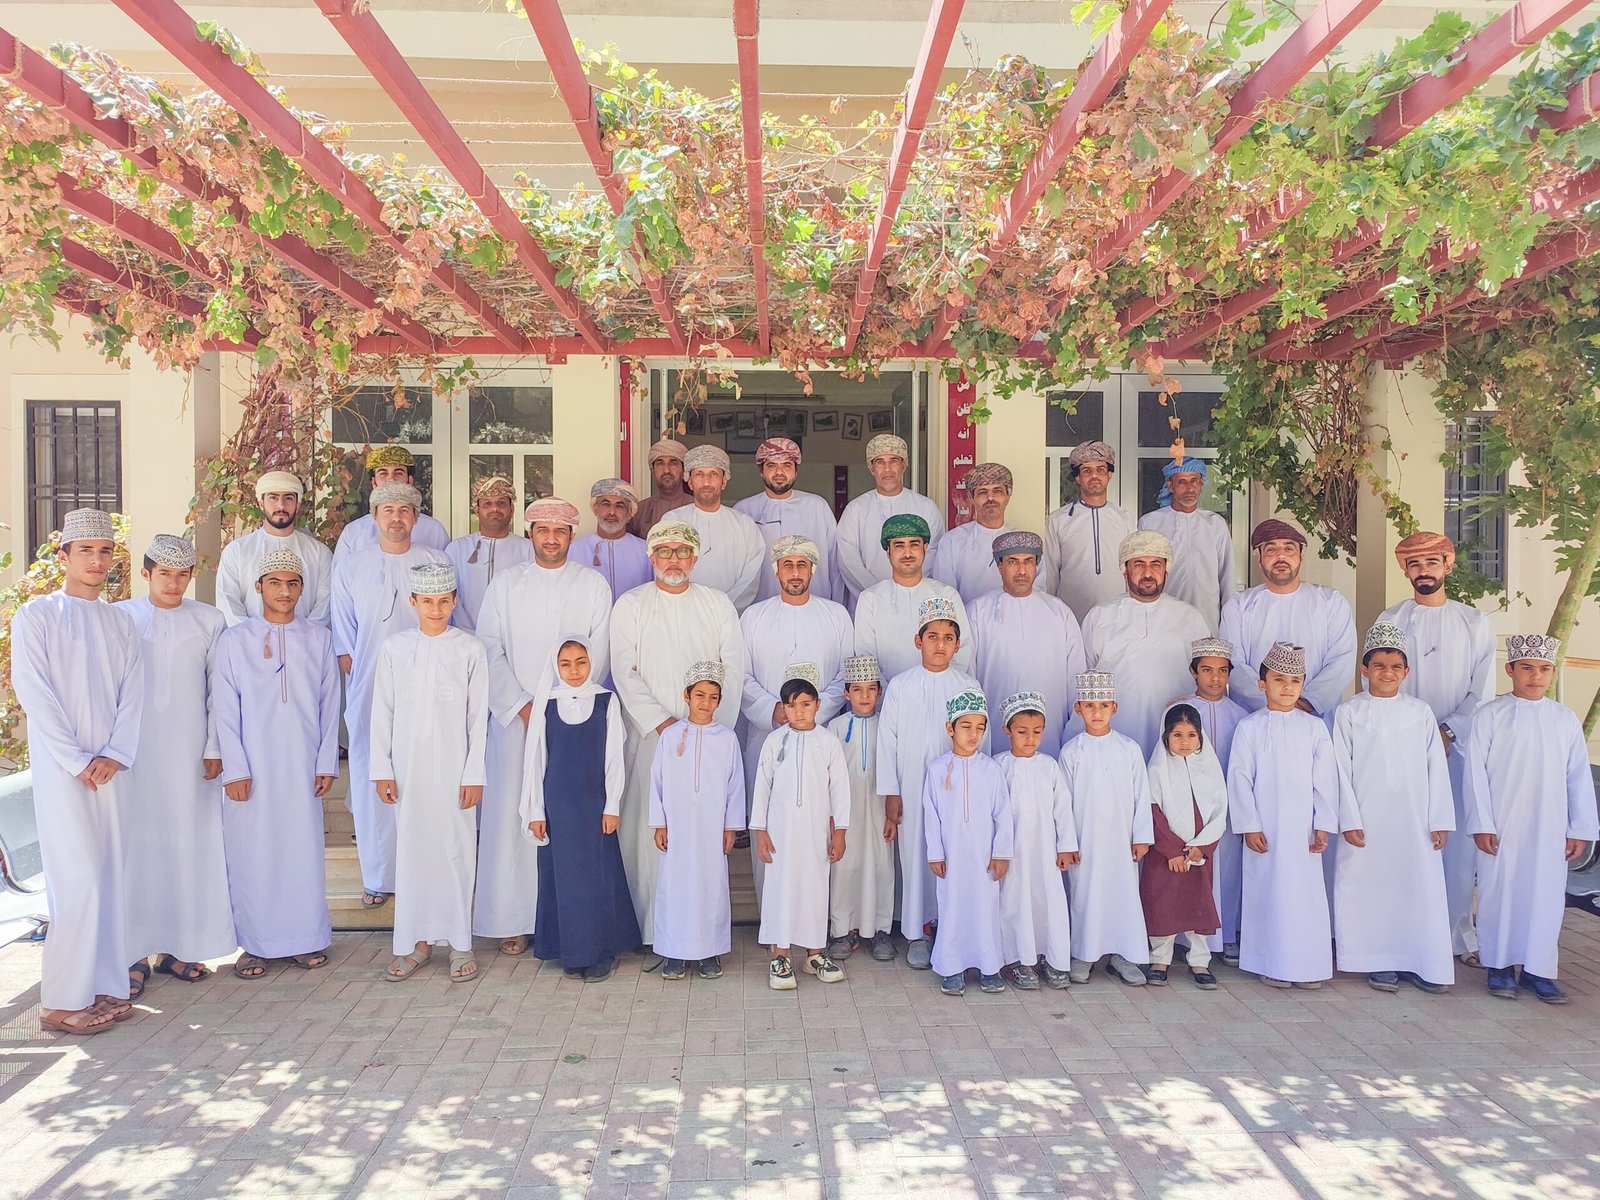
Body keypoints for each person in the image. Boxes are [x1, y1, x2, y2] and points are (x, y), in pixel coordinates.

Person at [11, 509, 143, 1034]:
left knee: (110, 874)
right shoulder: (38, 616)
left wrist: (114, 753)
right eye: (85, 550)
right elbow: (35, 693)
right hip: (64, 772)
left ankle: (104, 984)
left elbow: (133, 694)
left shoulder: (120, 621)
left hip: (111, 769)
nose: (97, 560)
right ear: (63, 556)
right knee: (78, 878)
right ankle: (61, 1002)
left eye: (105, 551)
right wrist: (77, 759)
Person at [474, 496, 613, 957]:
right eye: (542, 530)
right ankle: (512, 920)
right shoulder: (506, 584)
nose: (551, 538)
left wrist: (567, 704)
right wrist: (522, 706)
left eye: (560, 531)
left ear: (572, 535)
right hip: (517, 719)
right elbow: (488, 647)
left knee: (567, 819)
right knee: (512, 817)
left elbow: (598, 651)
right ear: (530, 533)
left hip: (573, 722)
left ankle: (563, 920)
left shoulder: (592, 585)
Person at [611, 520, 746, 942]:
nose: (674, 560)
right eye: (665, 552)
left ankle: (700, 936)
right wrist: (664, 724)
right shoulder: (631, 604)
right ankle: (653, 932)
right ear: (652, 557)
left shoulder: (717, 604)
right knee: (650, 834)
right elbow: (624, 670)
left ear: (695, 558)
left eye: (682, 552)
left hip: (707, 742)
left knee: (702, 840)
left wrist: (707, 730)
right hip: (650, 738)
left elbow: (733, 668)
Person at [213, 547, 340, 982]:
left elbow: (329, 705)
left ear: (302, 589)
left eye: (292, 583)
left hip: (302, 764)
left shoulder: (319, 639)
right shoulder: (234, 641)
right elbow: (224, 709)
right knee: (253, 854)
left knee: (302, 852)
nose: (284, 591)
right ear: (258, 587)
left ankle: (305, 938)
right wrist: (235, 768)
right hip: (252, 767)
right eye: (275, 583)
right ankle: (255, 945)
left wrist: (325, 761)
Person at [118, 535, 233, 997]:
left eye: (181, 574)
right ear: (145, 573)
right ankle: (131, 954)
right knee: (136, 851)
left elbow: (219, 690)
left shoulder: (209, 620)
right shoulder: (121, 617)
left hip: (190, 755)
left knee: (189, 847)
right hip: (133, 754)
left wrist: (214, 746)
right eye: (164, 573)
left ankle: (180, 948)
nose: (173, 582)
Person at [1378, 530, 1496, 969]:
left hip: (1457, 749)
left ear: (1447, 565)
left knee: (1457, 847)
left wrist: (1448, 730)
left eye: (1431, 563)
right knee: (1405, 839)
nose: (1423, 571)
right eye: (1415, 564)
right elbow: (1382, 679)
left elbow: (1481, 690)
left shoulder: (1473, 621)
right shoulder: (1391, 619)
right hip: (1402, 747)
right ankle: (1404, 935)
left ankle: (1456, 936)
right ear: (1405, 570)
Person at [330, 482, 450, 908]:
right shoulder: (352, 564)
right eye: (388, 510)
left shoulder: (435, 560)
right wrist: (363, 674)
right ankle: (379, 875)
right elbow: (344, 635)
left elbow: (448, 620)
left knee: (425, 769)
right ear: (375, 516)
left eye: (404, 509)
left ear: (416, 517)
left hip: (428, 679)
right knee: (372, 770)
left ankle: (425, 873)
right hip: (370, 680)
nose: (396, 517)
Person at [370, 562, 488, 984]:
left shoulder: (469, 649)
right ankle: (416, 944)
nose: (435, 610)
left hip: (455, 770)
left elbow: (478, 717)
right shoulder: (395, 648)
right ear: (413, 602)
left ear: (454, 601)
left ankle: (459, 943)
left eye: (443, 602)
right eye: (427, 602)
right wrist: (382, 769)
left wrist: (474, 773)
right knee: (413, 854)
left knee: (456, 851)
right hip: (408, 771)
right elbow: (382, 711)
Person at [1466, 634, 1597, 1005]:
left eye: (1543, 669)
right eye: (1527, 667)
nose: (1535, 676)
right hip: (1502, 824)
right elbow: (1474, 774)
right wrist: (1482, 823)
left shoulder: (1563, 719)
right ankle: (1499, 966)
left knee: (1545, 896)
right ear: (1510, 670)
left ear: (1552, 673)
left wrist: (1579, 828)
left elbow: (1577, 776)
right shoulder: (1489, 715)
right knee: (1499, 892)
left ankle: (1538, 970)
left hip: (1549, 826)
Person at [1332, 622, 1454, 995]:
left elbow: (1436, 768)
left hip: (1414, 822)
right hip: (1366, 820)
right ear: (1364, 670)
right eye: (1379, 666)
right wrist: (1348, 819)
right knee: (1370, 888)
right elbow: (1340, 770)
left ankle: (1419, 961)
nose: (1387, 673)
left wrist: (1439, 820)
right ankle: (1377, 960)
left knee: (1416, 888)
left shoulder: (1420, 712)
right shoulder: (1349, 712)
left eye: (1395, 666)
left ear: (1406, 671)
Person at [523, 637, 639, 982]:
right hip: (558, 806)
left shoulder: (606, 701)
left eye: (581, 662)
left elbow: (614, 756)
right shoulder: (546, 704)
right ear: (556, 667)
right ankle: (572, 952)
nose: (574, 670)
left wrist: (612, 804)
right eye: (566, 664)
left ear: (591, 663)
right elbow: (536, 759)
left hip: (594, 804)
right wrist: (536, 811)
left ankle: (600, 952)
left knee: (597, 877)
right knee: (564, 879)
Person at [876, 596, 982, 970]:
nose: (940, 645)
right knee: (916, 855)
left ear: (958, 644)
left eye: (948, 638)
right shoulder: (901, 686)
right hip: (912, 786)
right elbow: (887, 741)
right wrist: (891, 792)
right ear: (918, 640)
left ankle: (949, 928)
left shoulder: (968, 686)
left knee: (953, 854)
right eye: (932, 636)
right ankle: (916, 934)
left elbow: (980, 742)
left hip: (957, 790)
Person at [1228, 642, 1337, 989]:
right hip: (1266, 829)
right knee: (1268, 893)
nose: (1287, 687)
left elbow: (1325, 781)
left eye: (1294, 680)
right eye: (1279, 679)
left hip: (1304, 830)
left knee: (1305, 896)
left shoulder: (1314, 728)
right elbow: (1239, 778)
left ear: (1303, 684)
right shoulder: (1249, 727)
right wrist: (1249, 825)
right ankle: (1270, 962)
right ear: (1262, 684)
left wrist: (1323, 824)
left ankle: (1309, 966)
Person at [738, 535, 853, 852]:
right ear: (776, 571)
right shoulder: (753, 617)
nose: (795, 572)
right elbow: (741, 676)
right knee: (768, 830)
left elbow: (845, 675)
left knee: (817, 832)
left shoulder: (836, 616)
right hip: (767, 735)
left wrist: (812, 712)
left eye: (802, 564)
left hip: (822, 737)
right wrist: (773, 710)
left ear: (812, 570)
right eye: (787, 565)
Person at [751, 665, 853, 991]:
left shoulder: (828, 742)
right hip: (780, 834)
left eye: (806, 704)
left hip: (815, 834)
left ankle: (814, 954)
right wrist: (759, 830)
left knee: (814, 888)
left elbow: (840, 789)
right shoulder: (774, 741)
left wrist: (840, 831)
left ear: (817, 705)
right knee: (780, 888)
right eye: (792, 705)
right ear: (783, 707)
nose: (799, 711)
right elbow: (762, 787)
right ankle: (780, 955)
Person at [650, 661, 746, 980]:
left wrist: (730, 826)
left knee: (710, 886)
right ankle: (674, 952)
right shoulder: (670, 736)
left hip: (711, 828)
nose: (706, 702)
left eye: (713, 697)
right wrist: (660, 823)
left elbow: (735, 785)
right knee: (674, 886)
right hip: (677, 828)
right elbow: (657, 782)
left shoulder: (727, 739)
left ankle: (709, 952)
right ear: (687, 696)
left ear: (719, 701)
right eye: (700, 695)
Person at [1058, 672, 1152, 986]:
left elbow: (1142, 796)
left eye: (1103, 705)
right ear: (1078, 708)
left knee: (1123, 896)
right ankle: (1083, 954)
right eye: (1089, 705)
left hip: (1122, 842)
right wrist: (1067, 843)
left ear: (1114, 707)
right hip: (1085, 842)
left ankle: (1123, 956)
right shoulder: (1072, 751)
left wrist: (1142, 837)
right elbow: (1063, 803)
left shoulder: (1129, 749)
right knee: (1086, 896)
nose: (1096, 712)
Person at [1082, 531, 1210, 756]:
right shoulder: (1100, 617)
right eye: (1139, 564)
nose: (1148, 573)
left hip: (1175, 733)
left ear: (1166, 570)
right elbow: (1084, 676)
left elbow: (1207, 677)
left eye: (1156, 565)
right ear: (1125, 570)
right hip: (1115, 732)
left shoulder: (1190, 618)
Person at [1219, 519, 1356, 720]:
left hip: (1315, 718)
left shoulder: (1331, 602)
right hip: (1256, 719)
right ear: (1259, 559)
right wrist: (1273, 704)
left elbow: (1341, 660)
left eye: (1289, 548)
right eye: (1271, 549)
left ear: (1301, 556)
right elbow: (1233, 663)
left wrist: (1308, 702)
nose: (1280, 556)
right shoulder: (1239, 605)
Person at [925, 690, 1012, 996]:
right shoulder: (937, 769)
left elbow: (1003, 814)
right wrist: (935, 853)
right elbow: (931, 815)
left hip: (983, 857)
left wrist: (1002, 853)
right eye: (966, 726)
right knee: (952, 908)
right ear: (950, 728)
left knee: (985, 909)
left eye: (979, 727)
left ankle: (989, 967)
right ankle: (952, 968)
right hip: (952, 858)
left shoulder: (991, 769)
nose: (973, 734)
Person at [968, 531, 1086, 756]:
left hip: (1050, 740)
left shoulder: (1059, 612)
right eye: (1013, 562)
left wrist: (1072, 740)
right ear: (1000, 566)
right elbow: (968, 678)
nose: (1022, 570)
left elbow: (1076, 680)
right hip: (994, 740)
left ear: (1036, 565)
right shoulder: (977, 612)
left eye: (1028, 561)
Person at [993, 692, 1075, 991]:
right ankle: (1019, 960)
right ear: (1007, 730)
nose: (1030, 739)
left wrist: (1066, 846)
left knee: (1048, 901)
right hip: (1012, 852)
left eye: (1037, 732)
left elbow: (1062, 809)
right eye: (1022, 732)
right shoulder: (998, 766)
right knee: (1014, 901)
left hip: (1044, 851)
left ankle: (1052, 959)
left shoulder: (1049, 766)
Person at [1140, 703, 1226, 990]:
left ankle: (1199, 960)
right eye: (1177, 735)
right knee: (1162, 904)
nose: (1185, 742)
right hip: (1165, 856)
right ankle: (1159, 959)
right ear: (1166, 736)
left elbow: (1219, 812)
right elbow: (1152, 812)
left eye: (1191, 735)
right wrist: (1172, 851)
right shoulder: (1157, 769)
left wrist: (1201, 848)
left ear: (1201, 736)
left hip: (1197, 855)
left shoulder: (1210, 769)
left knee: (1198, 905)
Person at [1179, 637, 1250, 966]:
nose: (1215, 678)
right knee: (1193, 871)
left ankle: (1228, 935)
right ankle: (1188, 937)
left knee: (1229, 871)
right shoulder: (1179, 711)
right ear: (1193, 672)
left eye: (1222, 671)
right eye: (1207, 670)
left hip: (1228, 807)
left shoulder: (1241, 715)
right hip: (1191, 805)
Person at [825, 655, 896, 963]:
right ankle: (843, 930)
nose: (865, 696)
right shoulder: (835, 727)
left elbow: (895, 768)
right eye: (857, 689)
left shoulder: (888, 725)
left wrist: (892, 814)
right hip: (845, 812)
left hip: (879, 809)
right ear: (846, 693)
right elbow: (828, 774)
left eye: (871, 689)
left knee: (881, 866)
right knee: (845, 867)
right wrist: (831, 815)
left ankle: (880, 929)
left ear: (879, 692)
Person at [854, 515, 973, 681]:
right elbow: (866, 658)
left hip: (940, 692)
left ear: (925, 548)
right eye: (899, 546)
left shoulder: (947, 595)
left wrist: (939, 688)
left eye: (914, 544)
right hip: (887, 695)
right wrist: (893, 693)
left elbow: (962, 652)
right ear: (888, 552)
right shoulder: (870, 599)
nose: (907, 553)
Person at [836, 433, 945, 607]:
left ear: (904, 465)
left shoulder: (926, 507)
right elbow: (848, 560)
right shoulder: (856, 509)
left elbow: (933, 552)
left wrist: (907, 588)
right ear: (871, 468)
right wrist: (877, 594)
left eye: (894, 461)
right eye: (880, 462)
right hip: (869, 603)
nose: (887, 469)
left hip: (916, 600)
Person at [215, 470, 334, 627]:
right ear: (261, 503)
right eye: (273, 497)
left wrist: (301, 636)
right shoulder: (237, 551)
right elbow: (229, 607)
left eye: (288, 498)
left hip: (306, 641)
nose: (281, 505)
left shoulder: (319, 553)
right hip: (250, 641)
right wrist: (255, 636)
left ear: (297, 505)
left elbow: (325, 606)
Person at [734, 438, 843, 604]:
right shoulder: (743, 510)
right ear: (761, 471)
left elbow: (835, 564)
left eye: (787, 465)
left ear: (796, 471)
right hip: (760, 608)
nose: (779, 472)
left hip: (814, 607)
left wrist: (836, 606)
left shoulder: (817, 507)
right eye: (771, 465)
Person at [930, 464, 1057, 602]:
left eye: (997, 491)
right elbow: (944, 594)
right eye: (983, 492)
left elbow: (1037, 594)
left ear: (1007, 497)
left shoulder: (1025, 544)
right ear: (971, 498)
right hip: (966, 615)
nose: (990, 498)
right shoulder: (952, 541)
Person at [1136, 457, 1236, 630]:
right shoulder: (1150, 523)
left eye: (1194, 481)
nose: (1189, 488)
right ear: (1170, 486)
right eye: (1182, 481)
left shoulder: (1215, 523)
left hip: (1208, 616)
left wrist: (1230, 622)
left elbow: (1227, 576)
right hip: (1163, 618)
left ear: (1201, 484)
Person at [1047, 441, 1138, 621]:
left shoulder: (1125, 518)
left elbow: (1133, 568)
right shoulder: (1058, 520)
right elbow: (1050, 574)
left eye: (1100, 470)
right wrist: (1052, 614)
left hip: (1117, 615)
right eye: (1087, 471)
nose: (1094, 476)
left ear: (1109, 475)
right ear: (1078, 478)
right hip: (1071, 615)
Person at [674, 444, 765, 610]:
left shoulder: (744, 524)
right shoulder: (673, 521)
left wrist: (723, 609)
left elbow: (750, 578)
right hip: (684, 613)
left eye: (713, 474)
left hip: (731, 615)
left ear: (724, 481)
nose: (706, 482)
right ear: (690, 482)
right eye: (699, 474)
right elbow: (667, 569)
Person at [443, 475, 532, 631]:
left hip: (513, 637)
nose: (494, 509)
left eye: (501, 503)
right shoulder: (457, 549)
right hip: (463, 637)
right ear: (477, 510)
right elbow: (449, 596)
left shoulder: (528, 549)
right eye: (487, 503)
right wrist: (468, 634)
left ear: (512, 509)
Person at [333, 446, 451, 560]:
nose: (391, 479)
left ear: (409, 480)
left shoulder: (433, 530)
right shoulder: (353, 533)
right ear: (373, 482)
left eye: (398, 473)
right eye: (383, 473)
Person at [573, 478, 652, 600]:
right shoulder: (574, 550)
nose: (612, 512)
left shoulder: (646, 551)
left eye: (620, 506)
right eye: (606, 504)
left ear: (629, 513)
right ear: (596, 509)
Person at [629, 437, 693, 537]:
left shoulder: (697, 507)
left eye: (673, 463)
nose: (666, 470)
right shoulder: (640, 510)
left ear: (684, 470)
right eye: (660, 463)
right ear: (652, 471)